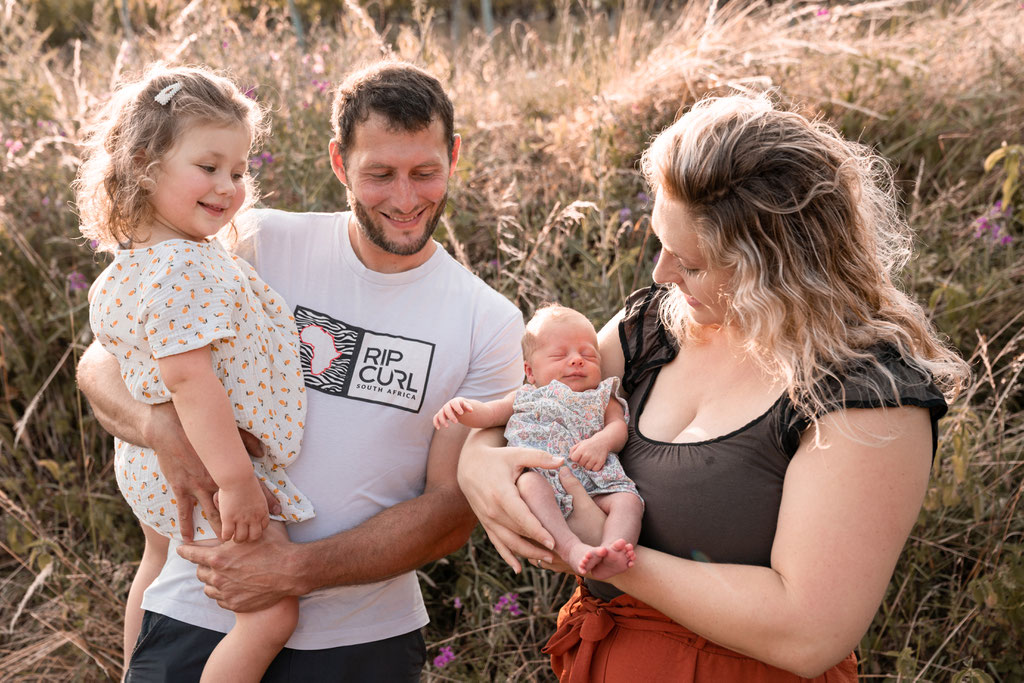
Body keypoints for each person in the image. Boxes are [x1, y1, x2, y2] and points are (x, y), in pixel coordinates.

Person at [456, 94, 969, 681]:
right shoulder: (651, 329)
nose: (661, 275)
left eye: (692, 264)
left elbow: (808, 632)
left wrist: (609, 554)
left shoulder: (868, 393)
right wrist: (477, 468)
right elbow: (531, 408)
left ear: (776, 264)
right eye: (661, 244)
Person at [76, 60, 525, 681]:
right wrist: (160, 429)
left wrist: (291, 572)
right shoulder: (253, 242)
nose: (405, 198)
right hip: (200, 606)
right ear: (339, 162)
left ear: (454, 156)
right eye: (380, 174)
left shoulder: (490, 322)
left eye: (425, 172)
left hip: (362, 641)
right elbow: (106, 358)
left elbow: (450, 508)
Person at [74, 64, 313, 682]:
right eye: (207, 168)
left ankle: (135, 670)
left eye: (238, 171)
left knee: (155, 564)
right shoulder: (187, 268)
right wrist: (235, 482)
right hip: (208, 465)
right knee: (272, 611)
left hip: (151, 465)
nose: (228, 186)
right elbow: (188, 381)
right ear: (145, 162)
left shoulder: (133, 262)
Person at [434, 304, 643, 579]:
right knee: (528, 485)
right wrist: (462, 408)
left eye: (588, 354)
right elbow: (488, 414)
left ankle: (614, 547)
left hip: (596, 476)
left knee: (629, 501)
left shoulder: (603, 396)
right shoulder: (526, 395)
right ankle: (571, 548)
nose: (577, 360)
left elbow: (618, 427)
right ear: (530, 372)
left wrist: (602, 442)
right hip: (543, 476)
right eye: (559, 355)